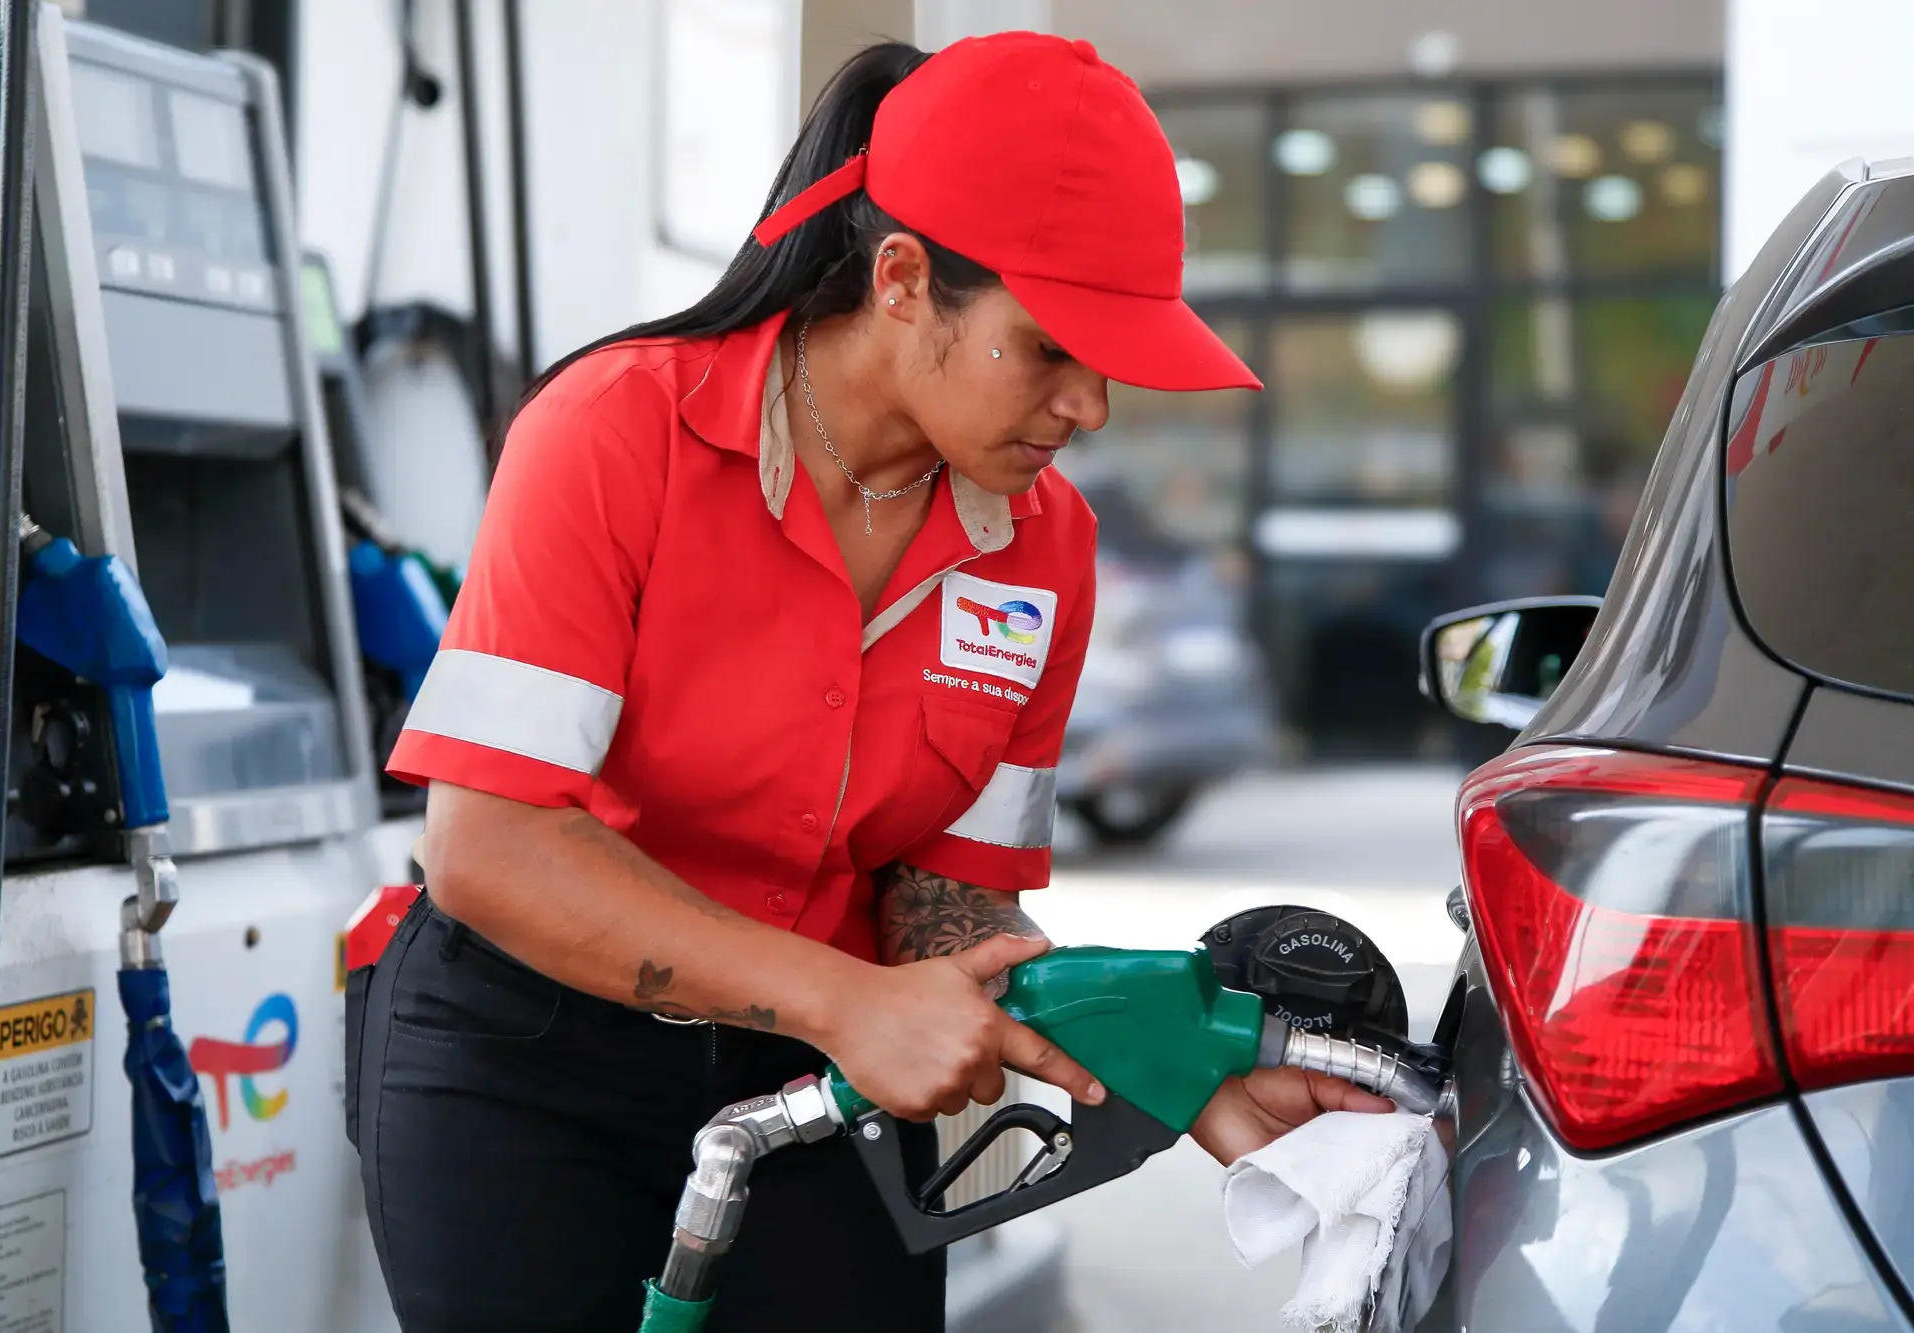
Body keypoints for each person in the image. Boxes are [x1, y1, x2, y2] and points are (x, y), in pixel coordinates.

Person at [350, 31, 1390, 1333]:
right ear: (903, 281)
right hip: (526, 1057)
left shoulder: (1045, 544)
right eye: (1051, 348)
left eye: (1112, 363)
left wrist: (1182, 1071)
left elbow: (948, 899)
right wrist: (849, 1003)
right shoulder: (617, 433)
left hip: (825, 1075)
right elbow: (490, 848)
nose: (1092, 409)